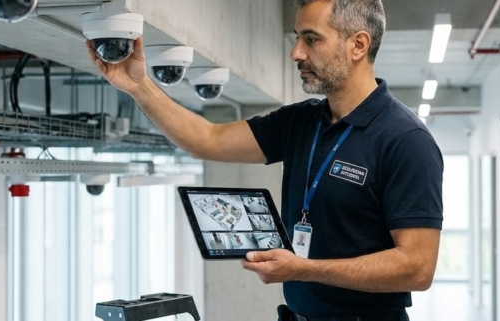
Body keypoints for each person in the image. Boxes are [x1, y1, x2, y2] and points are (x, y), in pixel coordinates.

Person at [86, 0, 443, 319]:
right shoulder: (302, 121)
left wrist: (303, 268)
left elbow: (417, 268)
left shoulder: (406, 140)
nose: (296, 53)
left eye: (311, 39)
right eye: (296, 38)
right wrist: (139, 86)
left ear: (358, 45)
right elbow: (208, 139)